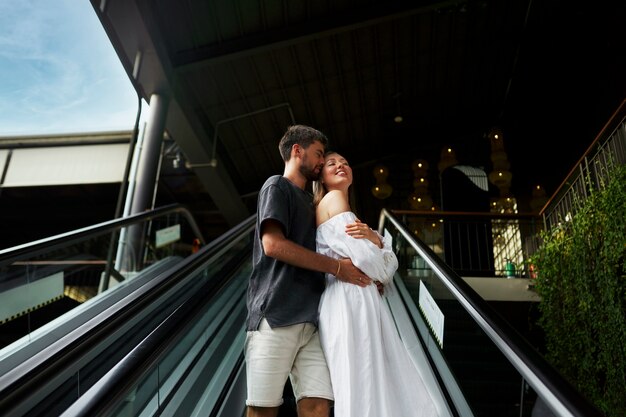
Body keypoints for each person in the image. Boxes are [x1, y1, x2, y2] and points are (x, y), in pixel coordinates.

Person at [245, 125, 373, 417]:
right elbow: (273, 245)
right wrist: (338, 268)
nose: (321, 161)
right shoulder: (276, 186)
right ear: (296, 150)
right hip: (274, 315)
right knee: (262, 410)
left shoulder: (314, 202)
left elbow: (336, 249)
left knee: (318, 406)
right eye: (318, 154)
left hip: (313, 320)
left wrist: (365, 276)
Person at [313, 150, 439, 417]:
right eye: (332, 163)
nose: (341, 166)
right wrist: (380, 245)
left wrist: (376, 242)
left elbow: (375, 264)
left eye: (346, 163)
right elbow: (376, 266)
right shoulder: (334, 199)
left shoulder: (333, 207)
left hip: (345, 297)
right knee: (367, 381)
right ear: (321, 175)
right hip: (353, 297)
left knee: (358, 381)